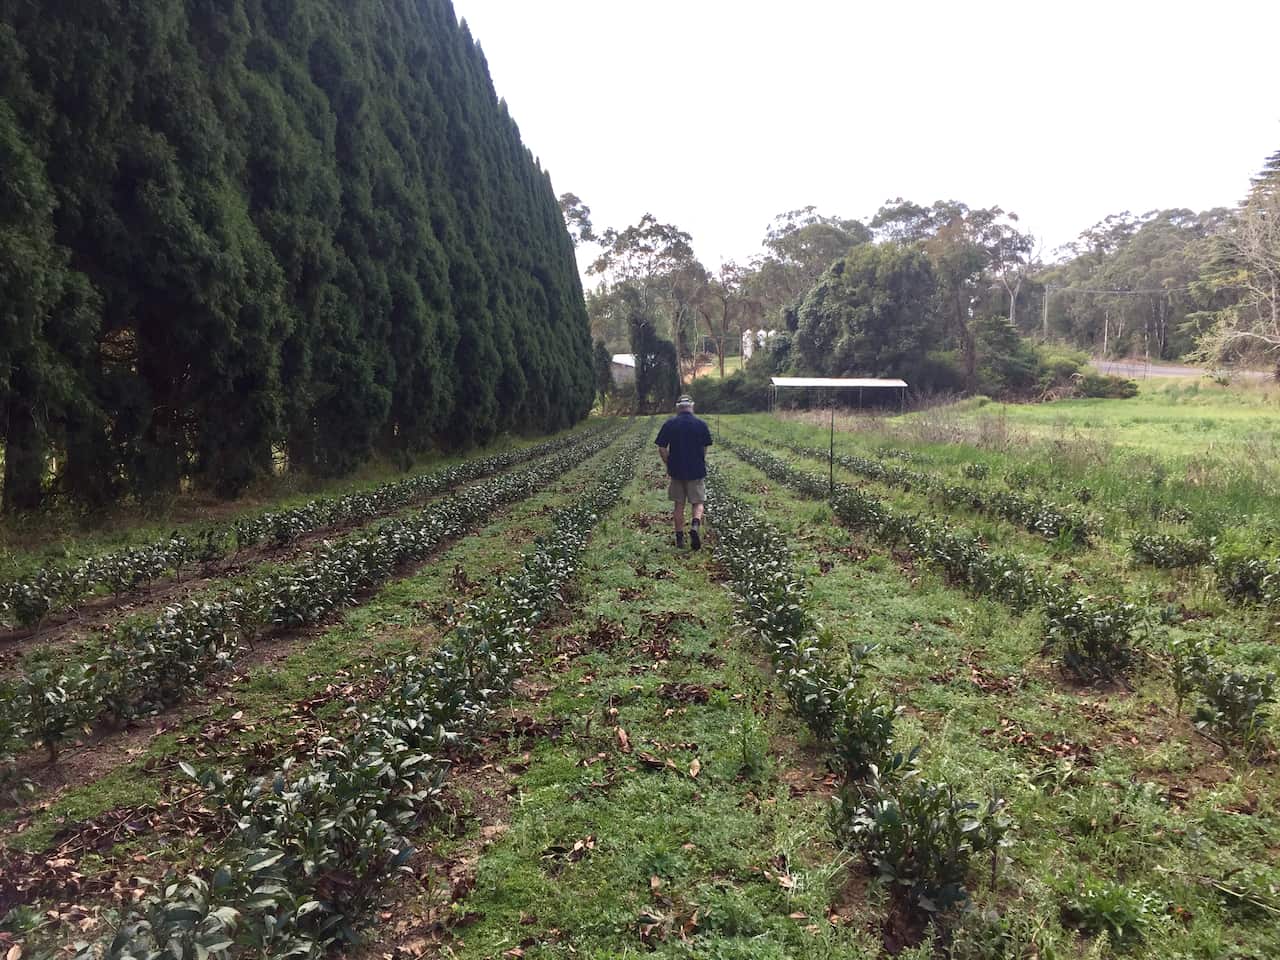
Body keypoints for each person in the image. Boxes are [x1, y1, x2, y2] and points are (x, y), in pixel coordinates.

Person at [655, 395, 712, 549]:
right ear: (691, 406)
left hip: (677, 470)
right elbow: (705, 446)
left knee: (678, 505)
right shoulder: (701, 424)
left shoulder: (670, 424)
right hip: (696, 470)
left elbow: (661, 447)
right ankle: (695, 524)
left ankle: (679, 539)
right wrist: (700, 459)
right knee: (698, 502)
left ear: (678, 407)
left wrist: (669, 463)